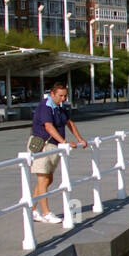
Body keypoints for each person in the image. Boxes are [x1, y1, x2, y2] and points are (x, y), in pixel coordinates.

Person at [29, 82, 87, 223]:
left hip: (54, 146)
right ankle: (46, 213)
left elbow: (69, 123)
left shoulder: (60, 108)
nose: (63, 98)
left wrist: (80, 139)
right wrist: (64, 142)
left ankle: (32, 210)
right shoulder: (45, 107)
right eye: (60, 96)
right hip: (43, 145)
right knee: (43, 179)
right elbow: (48, 127)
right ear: (52, 94)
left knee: (48, 179)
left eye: (65, 96)